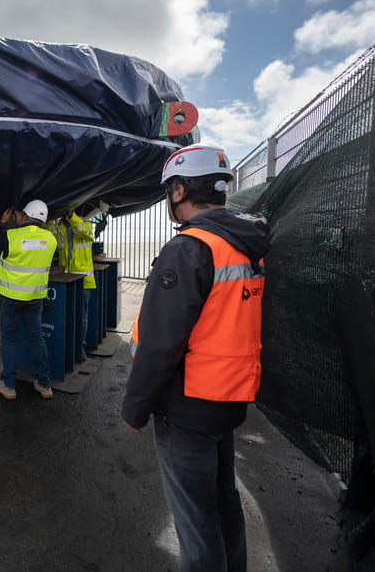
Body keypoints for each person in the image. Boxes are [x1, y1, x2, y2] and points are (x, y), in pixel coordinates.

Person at [120, 144, 270, 571]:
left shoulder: (189, 248)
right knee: (224, 506)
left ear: (180, 190)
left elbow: (160, 340)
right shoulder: (247, 245)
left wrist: (135, 407)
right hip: (229, 398)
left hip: (187, 406)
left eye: (170, 189)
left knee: (196, 523)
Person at [0, 199, 58, 400]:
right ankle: (45, 385)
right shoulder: (50, 239)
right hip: (34, 298)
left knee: (9, 339)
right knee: (37, 338)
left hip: (10, 297)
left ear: (24, 216)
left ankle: (9, 385)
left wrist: (2, 222)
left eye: (20, 215)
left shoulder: (11, 236)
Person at [49, 208, 96, 356]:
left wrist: (71, 216)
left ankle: (80, 348)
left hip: (82, 279)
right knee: (65, 315)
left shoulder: (86, 225)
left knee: (81, 316)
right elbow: (52, 239)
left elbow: (83, 232)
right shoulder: (61, 228)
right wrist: (50, 219)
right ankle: (67, 347)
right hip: (66, 279)